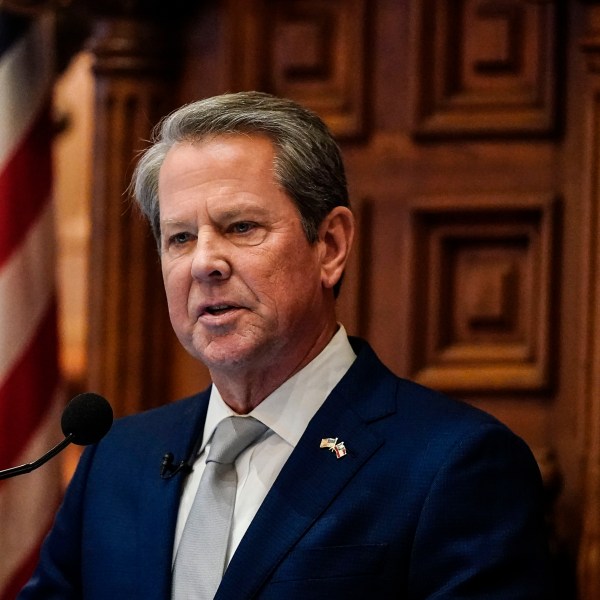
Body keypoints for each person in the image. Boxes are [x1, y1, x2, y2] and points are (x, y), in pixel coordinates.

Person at [20, 91, 551, 599]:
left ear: (331, 246)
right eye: (180, 238)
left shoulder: (454, 465)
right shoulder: (115, 460)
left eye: (241, 226)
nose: (205, 262)